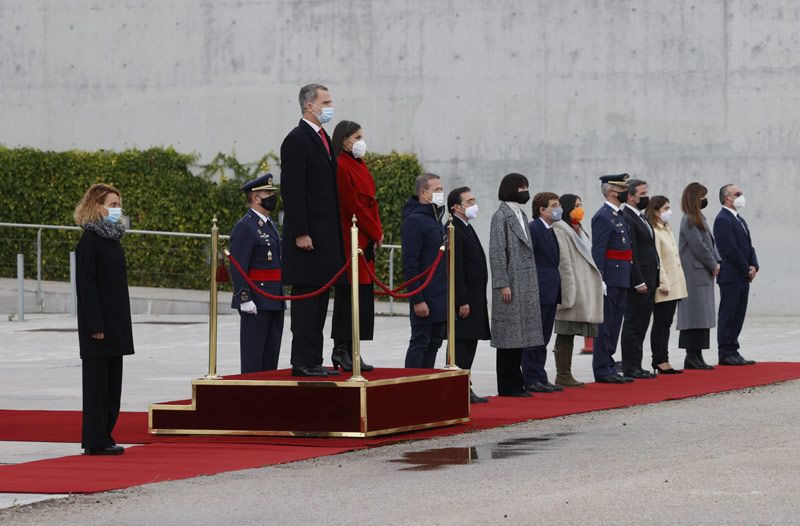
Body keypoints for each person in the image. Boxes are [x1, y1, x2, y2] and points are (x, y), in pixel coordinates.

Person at [280, 83, 344, 377]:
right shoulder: (296, 139)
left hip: (326, 236)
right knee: (307, 301)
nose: (330, 106)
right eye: (326, 101)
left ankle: (314, 359)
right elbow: (292, 192)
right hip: (307, 238)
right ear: (309, 105)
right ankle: (302, 360)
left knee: (321, 301)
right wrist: (300, 232)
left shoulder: (324, 138)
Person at [74, 183, 134, 455]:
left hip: (116, 324)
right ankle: (95, 441)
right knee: (97, 386)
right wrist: (95, 325)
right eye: (112, 205)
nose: (117, 210)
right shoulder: (90, 240)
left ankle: (106, 435)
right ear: (96, 207)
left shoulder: (113, 238)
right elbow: (86, 286)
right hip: (98, 327)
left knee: (113, 385)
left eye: (118, 205)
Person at [329, 120, 381, 372]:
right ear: (345, 140)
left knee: (362, 297)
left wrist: (377, 232)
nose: (361, 141)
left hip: (365, 239)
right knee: (349, 295)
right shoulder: (341, 166)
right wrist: (375, 230)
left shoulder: (360, 166)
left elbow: (371, 203)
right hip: (352, 239)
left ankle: (354, 349)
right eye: (357, 136)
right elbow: (353, 206)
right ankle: (342, 348)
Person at [489, 173, 544, 397]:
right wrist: (503, 283)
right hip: (511, 282)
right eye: (523, 187)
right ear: (513, 189)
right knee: (508, 337)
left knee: (521, 336)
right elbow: (497, 252)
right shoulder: (500, 216)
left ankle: (518, 381)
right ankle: (507, 384)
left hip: (525, 282)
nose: (526, 191)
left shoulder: (520, 214)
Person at [228, 174, 285, 373]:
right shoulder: (245, 226)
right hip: (257, 299)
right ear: (255, 197)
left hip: (274, 297)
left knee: (271, 357)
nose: (272, 196)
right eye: (267, 193)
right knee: (254, 357)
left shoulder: (269, 225)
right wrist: (244, 298)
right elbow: (237, 266)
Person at [552, 194, 603, 388]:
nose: (580, 209)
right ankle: (563, 374)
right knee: (565, 332)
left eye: (581, 205)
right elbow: (564, 263)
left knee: (574, 331)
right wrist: (568, 291)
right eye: (576, 206)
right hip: (573, 286)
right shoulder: (561, 230)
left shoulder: (579, 230)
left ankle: (566, 372)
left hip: (585, 285)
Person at [591, 174, 635, 384]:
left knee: (615, 323)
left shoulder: (618, 215)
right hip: (610, 276)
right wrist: (600, 279)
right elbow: (599, 250)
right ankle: (601, 367)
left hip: (621, 275)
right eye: (623, 189)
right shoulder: (603, 216)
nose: (627, 192)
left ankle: (608, 363)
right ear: (612, 192)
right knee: (606, 324)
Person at [448, 186, 490, 403]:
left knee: (470, 342)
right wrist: (461, 300)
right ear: (456, 206)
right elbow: (455, 268)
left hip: (475, 296)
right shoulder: (453, 227)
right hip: (464, 300)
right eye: (469, 201)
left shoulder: (466, 226)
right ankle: (459, 387)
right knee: (462, 344)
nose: (474, 205)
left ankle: (465, 384)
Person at [402, 173, 447, 368]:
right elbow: (410, 263)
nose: (441, 193)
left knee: (435, 342)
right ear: (424, 193)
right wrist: (417, 299)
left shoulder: (436, 219)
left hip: (439, 293)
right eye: (437, 190)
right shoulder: (415, 221)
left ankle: (426, 385)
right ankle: (410, 387)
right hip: (425, 294)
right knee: (420, 341)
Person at [676, 182, 721, 370]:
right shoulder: (688, 219)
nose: (705, 200)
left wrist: (717, 261)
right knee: (694, 315)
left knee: (702, 316)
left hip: (703, 272)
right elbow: (698, 246)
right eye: (702, 197)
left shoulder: (699, 218)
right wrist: (712, 263)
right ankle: (691, 355)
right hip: (694, 273)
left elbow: (711, 243)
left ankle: (698, 354)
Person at [714, 184, 759, 366]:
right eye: (737, 194)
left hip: (743, 275)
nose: (741, 197)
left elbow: (749, 245)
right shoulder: (723, 219)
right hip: (732, 275)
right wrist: (745, 268)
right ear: (727, 198)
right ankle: (725, 352)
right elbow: (729, 249)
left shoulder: (738, 219)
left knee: (738, 314)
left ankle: (733, 349)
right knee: (729, 314)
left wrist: (754, 265)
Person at [524, 192, 565, 393]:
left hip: (551, 289)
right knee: (535, 337)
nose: (559, 209)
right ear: (542, 210)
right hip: (539, 290)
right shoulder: (534, 229)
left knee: (544, 336)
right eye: (554, 205)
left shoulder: (550, 229)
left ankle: (540, 375)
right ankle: (531, 377)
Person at [620, 178, 658, 379]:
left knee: (643, 323)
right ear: (630, 196)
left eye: (646, 193)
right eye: (642, 195)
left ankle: (638, 364)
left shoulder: (642, 217)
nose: (646, 197)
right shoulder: (627, 216)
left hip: (651, 279)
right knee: (633, 324)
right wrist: (638, 280)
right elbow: (632, 251)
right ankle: (630, 366)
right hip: (639, 281)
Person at [647, 195, 687, 374]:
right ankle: (658, 359)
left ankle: (665, 358)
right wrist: (663, 282)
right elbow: (658, 259)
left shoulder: (666, 229)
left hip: (675, 282)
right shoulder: (654, 230)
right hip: (665, 284)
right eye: (665, 209)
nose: (668, 212)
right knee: (660, 323)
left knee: (667, 323)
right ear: (655, 211)